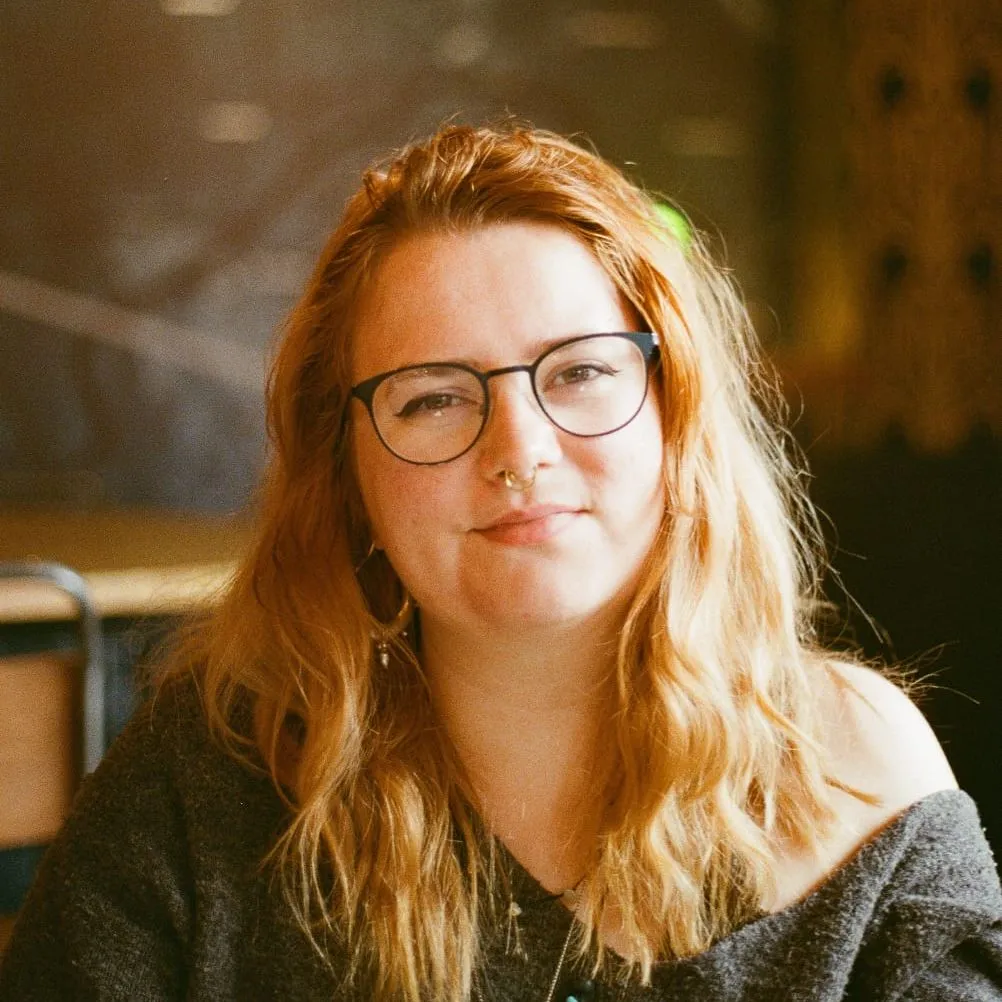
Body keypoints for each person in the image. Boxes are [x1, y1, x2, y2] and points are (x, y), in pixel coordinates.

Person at [1, 122, 1000, 1002]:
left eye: (581, 372)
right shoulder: (213, 772)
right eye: (433, 397)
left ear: (677, 421)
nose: (519, 449)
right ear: (346, 481)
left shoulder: (861, 774)